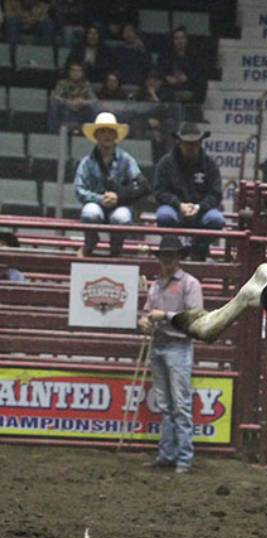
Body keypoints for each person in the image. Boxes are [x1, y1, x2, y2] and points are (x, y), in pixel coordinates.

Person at [139, 235, 204, 475]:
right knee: (167, 405)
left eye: (171, 255)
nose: (167, 259)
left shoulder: (190, 284)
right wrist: (144, 321)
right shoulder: (156, 285)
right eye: (164, 255)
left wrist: (162, 316)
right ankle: (168, 454)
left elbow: (194, 317)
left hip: (178, 346)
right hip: (160, 344)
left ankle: (183, 458)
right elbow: (147, 312)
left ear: (178, 257)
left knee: (179, 405)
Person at [75, 112, 148, 257]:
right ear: (96, 136)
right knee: (90, 213)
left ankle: (116, 248)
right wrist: (100, 199)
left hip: (120, 205)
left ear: (116, 136)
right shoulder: (87, 162)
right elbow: (79, 190)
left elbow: (142, 186)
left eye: (110, 131)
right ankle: (90, 243)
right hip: (95, 204)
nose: (106, 135)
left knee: (122, 218)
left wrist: (119, 198)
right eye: (102, 131)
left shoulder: (127, 160)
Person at [154, 123, 225, 261]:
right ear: (179, 143)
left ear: (200, 143)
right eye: (187, 144)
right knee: (164, 216)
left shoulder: (210, 164)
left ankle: (199, 250)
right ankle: (174, 251)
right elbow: (159, 191)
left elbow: (216, 194)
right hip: (174, 209)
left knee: (216, 220)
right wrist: (178, 205)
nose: (191, 147)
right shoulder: (166, 163)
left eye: (195, 143)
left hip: (202, 211)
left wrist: (199, 207)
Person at [48, 61, 97, 133]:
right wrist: (67, 102)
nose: (75, 73)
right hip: (65, 108)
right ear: (69, 72)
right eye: (73, 70)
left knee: (92, 108)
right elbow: (55, 97)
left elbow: (94, 100)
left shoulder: (86, 84)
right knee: (55, 106)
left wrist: (83, 102)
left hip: (81, 109)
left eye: (78, 70)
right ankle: (55, 132)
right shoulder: (62, 83)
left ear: (82, 73)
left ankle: (89, 131)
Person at [159, 27, 204, 103]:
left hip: (189, 91)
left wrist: (188, 77)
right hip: (169, 92)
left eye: (182, 38)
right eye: (176, 38)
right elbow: (159, 70)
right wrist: (166, 77)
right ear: (173, 40)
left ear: (186, 40)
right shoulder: (165, 57)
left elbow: (199, 75)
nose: (180, 41)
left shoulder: (194, 58)